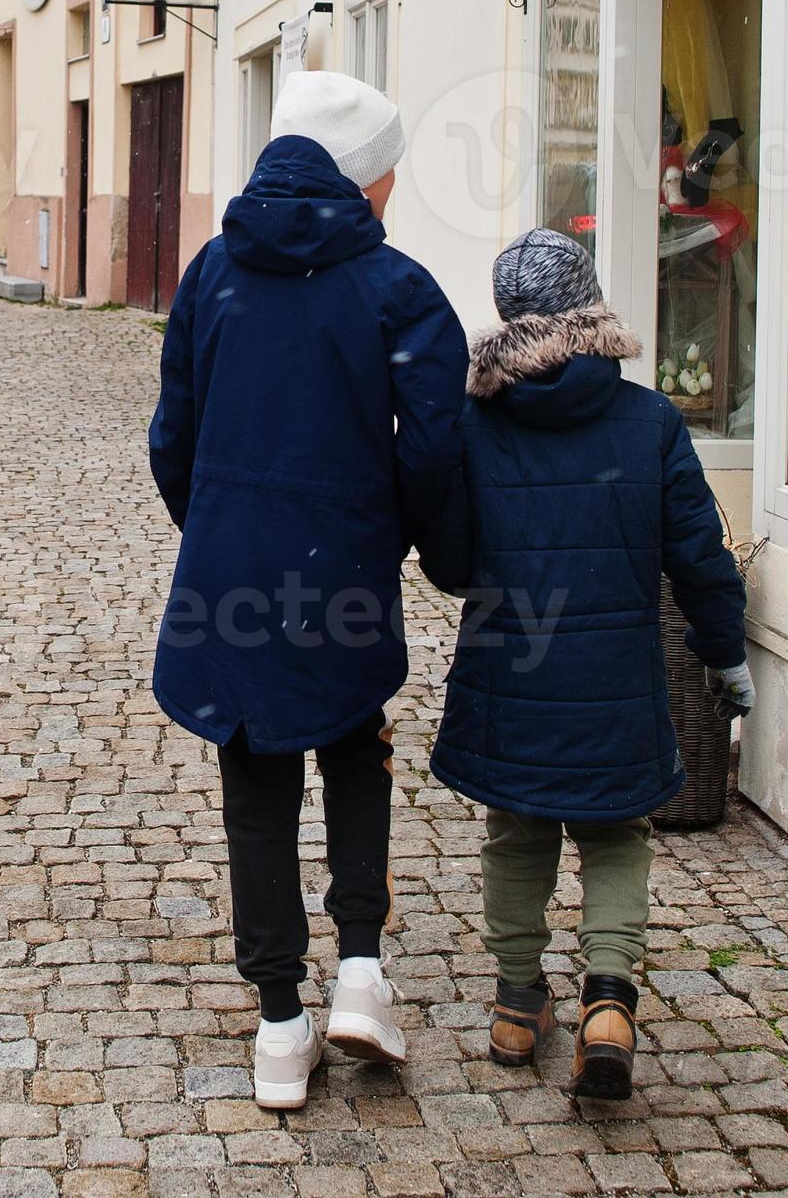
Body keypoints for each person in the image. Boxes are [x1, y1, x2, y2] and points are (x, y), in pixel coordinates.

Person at [148, 70, 469, 1112]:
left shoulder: (210, 273)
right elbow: (433, 450)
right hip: (345, 564)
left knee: (254, 775)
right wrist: (428, 546)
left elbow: (173, 438)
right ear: (363, 180)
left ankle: (281, 1024)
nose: (387, 199)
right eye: (387, 179)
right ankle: (363, 973)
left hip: (235, 568)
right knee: (355, 741)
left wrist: (222, 530)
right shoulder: (399, 290)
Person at [419, 228, 751, 1103]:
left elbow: (452, 567)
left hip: (509, 676)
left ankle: (518, 1006)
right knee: (617, 833)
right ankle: (609, 1003)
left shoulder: (472, 423)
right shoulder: (651, 419)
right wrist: (726, 653)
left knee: (517, 829)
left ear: (505, 316)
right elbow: (702, 558)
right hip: (619, 680)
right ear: (591, 303)